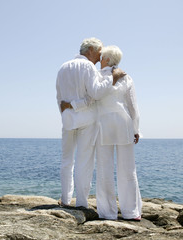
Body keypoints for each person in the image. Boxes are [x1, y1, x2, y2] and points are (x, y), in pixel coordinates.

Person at [56, 38, 125, 207]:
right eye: (99, 52)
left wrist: (67, 110)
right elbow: (95, 93)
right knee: (84, 162)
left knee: (66, 161)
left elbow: (59, 97)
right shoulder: (88, 67)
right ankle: (81, 203)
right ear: (91, 50)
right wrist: (112, 80)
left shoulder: (63, 67)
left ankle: (65, 200)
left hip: (67, 120)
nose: (100, 56)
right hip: (87, 119)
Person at [95, 45, 142, 220]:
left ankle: (108, 213)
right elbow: (133, 106)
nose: (99, 61)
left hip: (103, 125)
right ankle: (132, 212)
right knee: (128, 169)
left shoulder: (97, 76)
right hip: (124, 124)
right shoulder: (126, 77)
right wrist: (136, 129)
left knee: (104, 169)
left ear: (107, 59)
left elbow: (93, 99)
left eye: (101, 58)